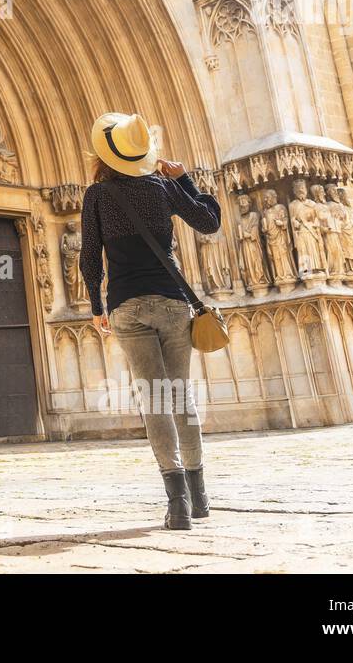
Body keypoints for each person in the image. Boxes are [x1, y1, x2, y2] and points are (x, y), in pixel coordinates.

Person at [79, 112, 221, 530]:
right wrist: (185, 179)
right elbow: (209, 220)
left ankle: (176, 502)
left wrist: (95, 306)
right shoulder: (163, 188)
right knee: (180, 396)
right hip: (173, 303)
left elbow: (90, 256)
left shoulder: (97, 196)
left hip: (127, 306)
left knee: (155, 399)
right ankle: (199, 497)